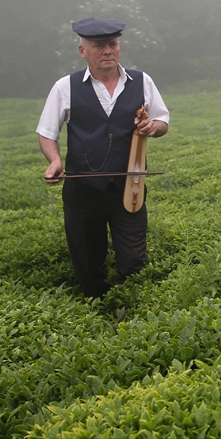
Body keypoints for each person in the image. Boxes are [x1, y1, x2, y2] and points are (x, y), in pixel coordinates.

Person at [37, 18, 169, 298]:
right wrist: (55, 161)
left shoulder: (142, 81)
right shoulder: (65, 87)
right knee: (88, 265)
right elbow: (47, 133)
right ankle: (98, 312)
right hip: (83, 191)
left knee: (134, 261)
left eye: (113, 44)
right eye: (99, 46)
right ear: (83, 51)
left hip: (130, 187)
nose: (108, 50)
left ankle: (132, 309)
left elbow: (162, 122)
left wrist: (152, 127)